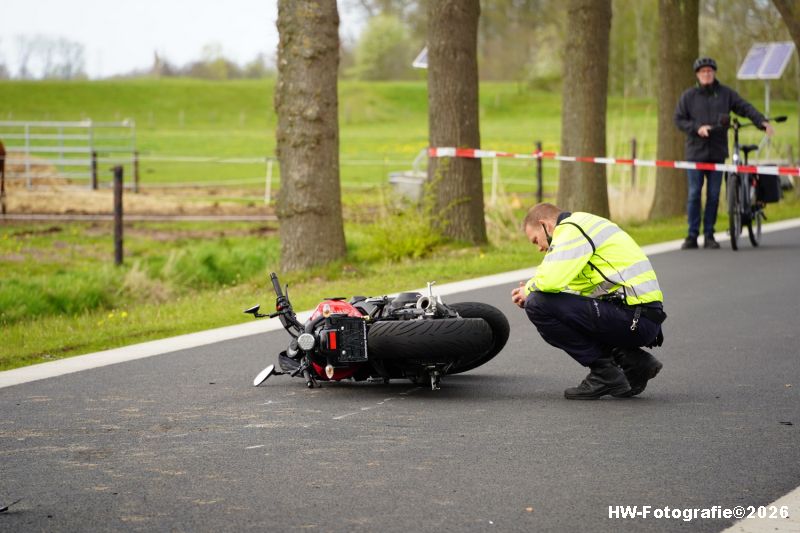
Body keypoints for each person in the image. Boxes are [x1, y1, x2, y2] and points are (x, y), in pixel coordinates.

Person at [511, 203, 666, 400]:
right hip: (640, 317)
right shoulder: (583, 226)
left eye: (535, 240)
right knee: (546, 302)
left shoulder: (571, 228)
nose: (540, 248)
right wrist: (532, 288)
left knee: (537, 304)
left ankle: (604, 373)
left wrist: (529, 290)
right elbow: (567, 290)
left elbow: (550, 279)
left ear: (545, 226)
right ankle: (634, 362)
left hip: (635, 318)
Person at [674, 57, 775, 250]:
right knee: (694, 194)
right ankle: (692, 235)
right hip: (695, 154)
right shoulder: (688, 96)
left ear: (714, 73)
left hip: (717, 153)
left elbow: (745, 108)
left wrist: (761, 121)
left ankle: (709, 235)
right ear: (697, 75)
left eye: (710, 71)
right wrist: (696, 128)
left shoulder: (725, 94)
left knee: (713, 195)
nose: (706, 74)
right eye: (703, 72)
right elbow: (678, 119)